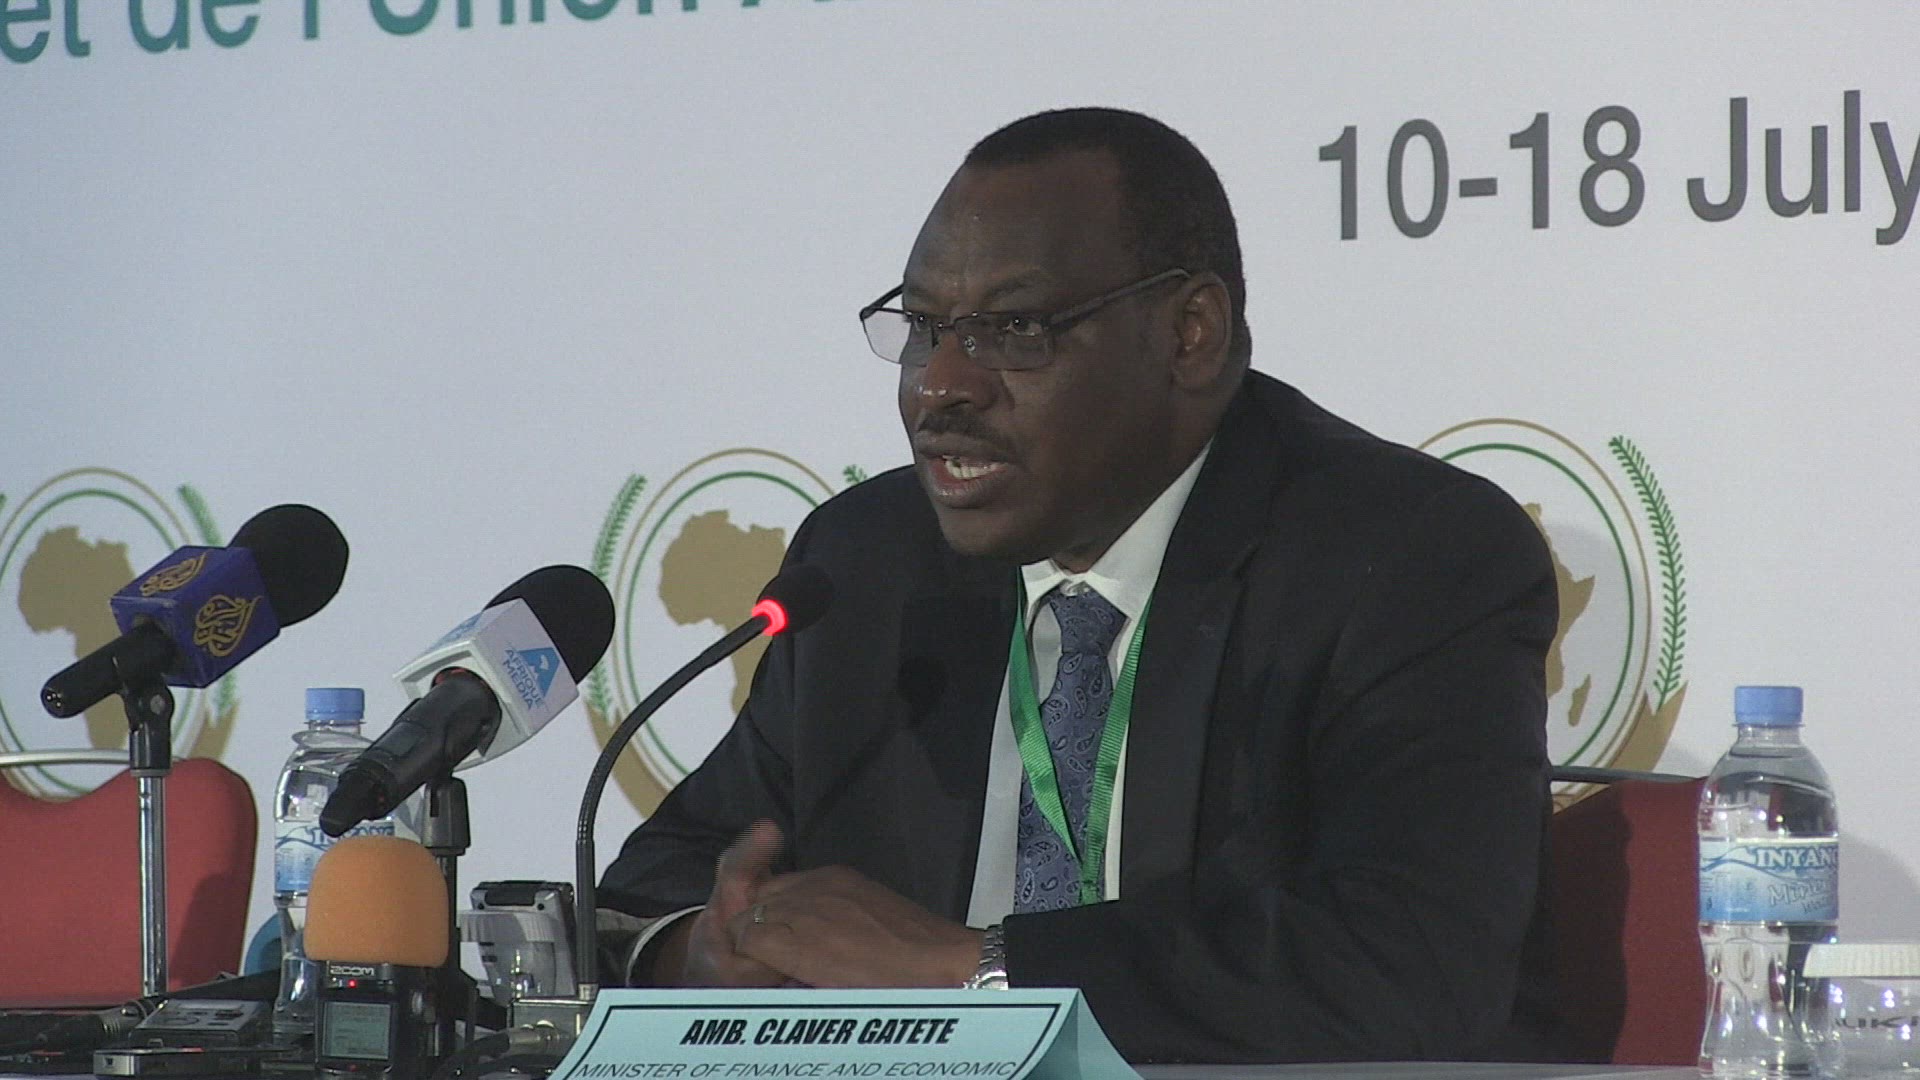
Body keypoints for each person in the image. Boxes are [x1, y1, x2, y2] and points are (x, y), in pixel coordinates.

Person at [598, 107, 1560, 1064]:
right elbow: (651, 896)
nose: (939, 385)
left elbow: (1413, 966)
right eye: (925, 327)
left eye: (1013, 329)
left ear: (1189, 333)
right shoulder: (866, 566)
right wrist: (708, 954)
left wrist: (972, 969)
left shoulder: (1403, 557)